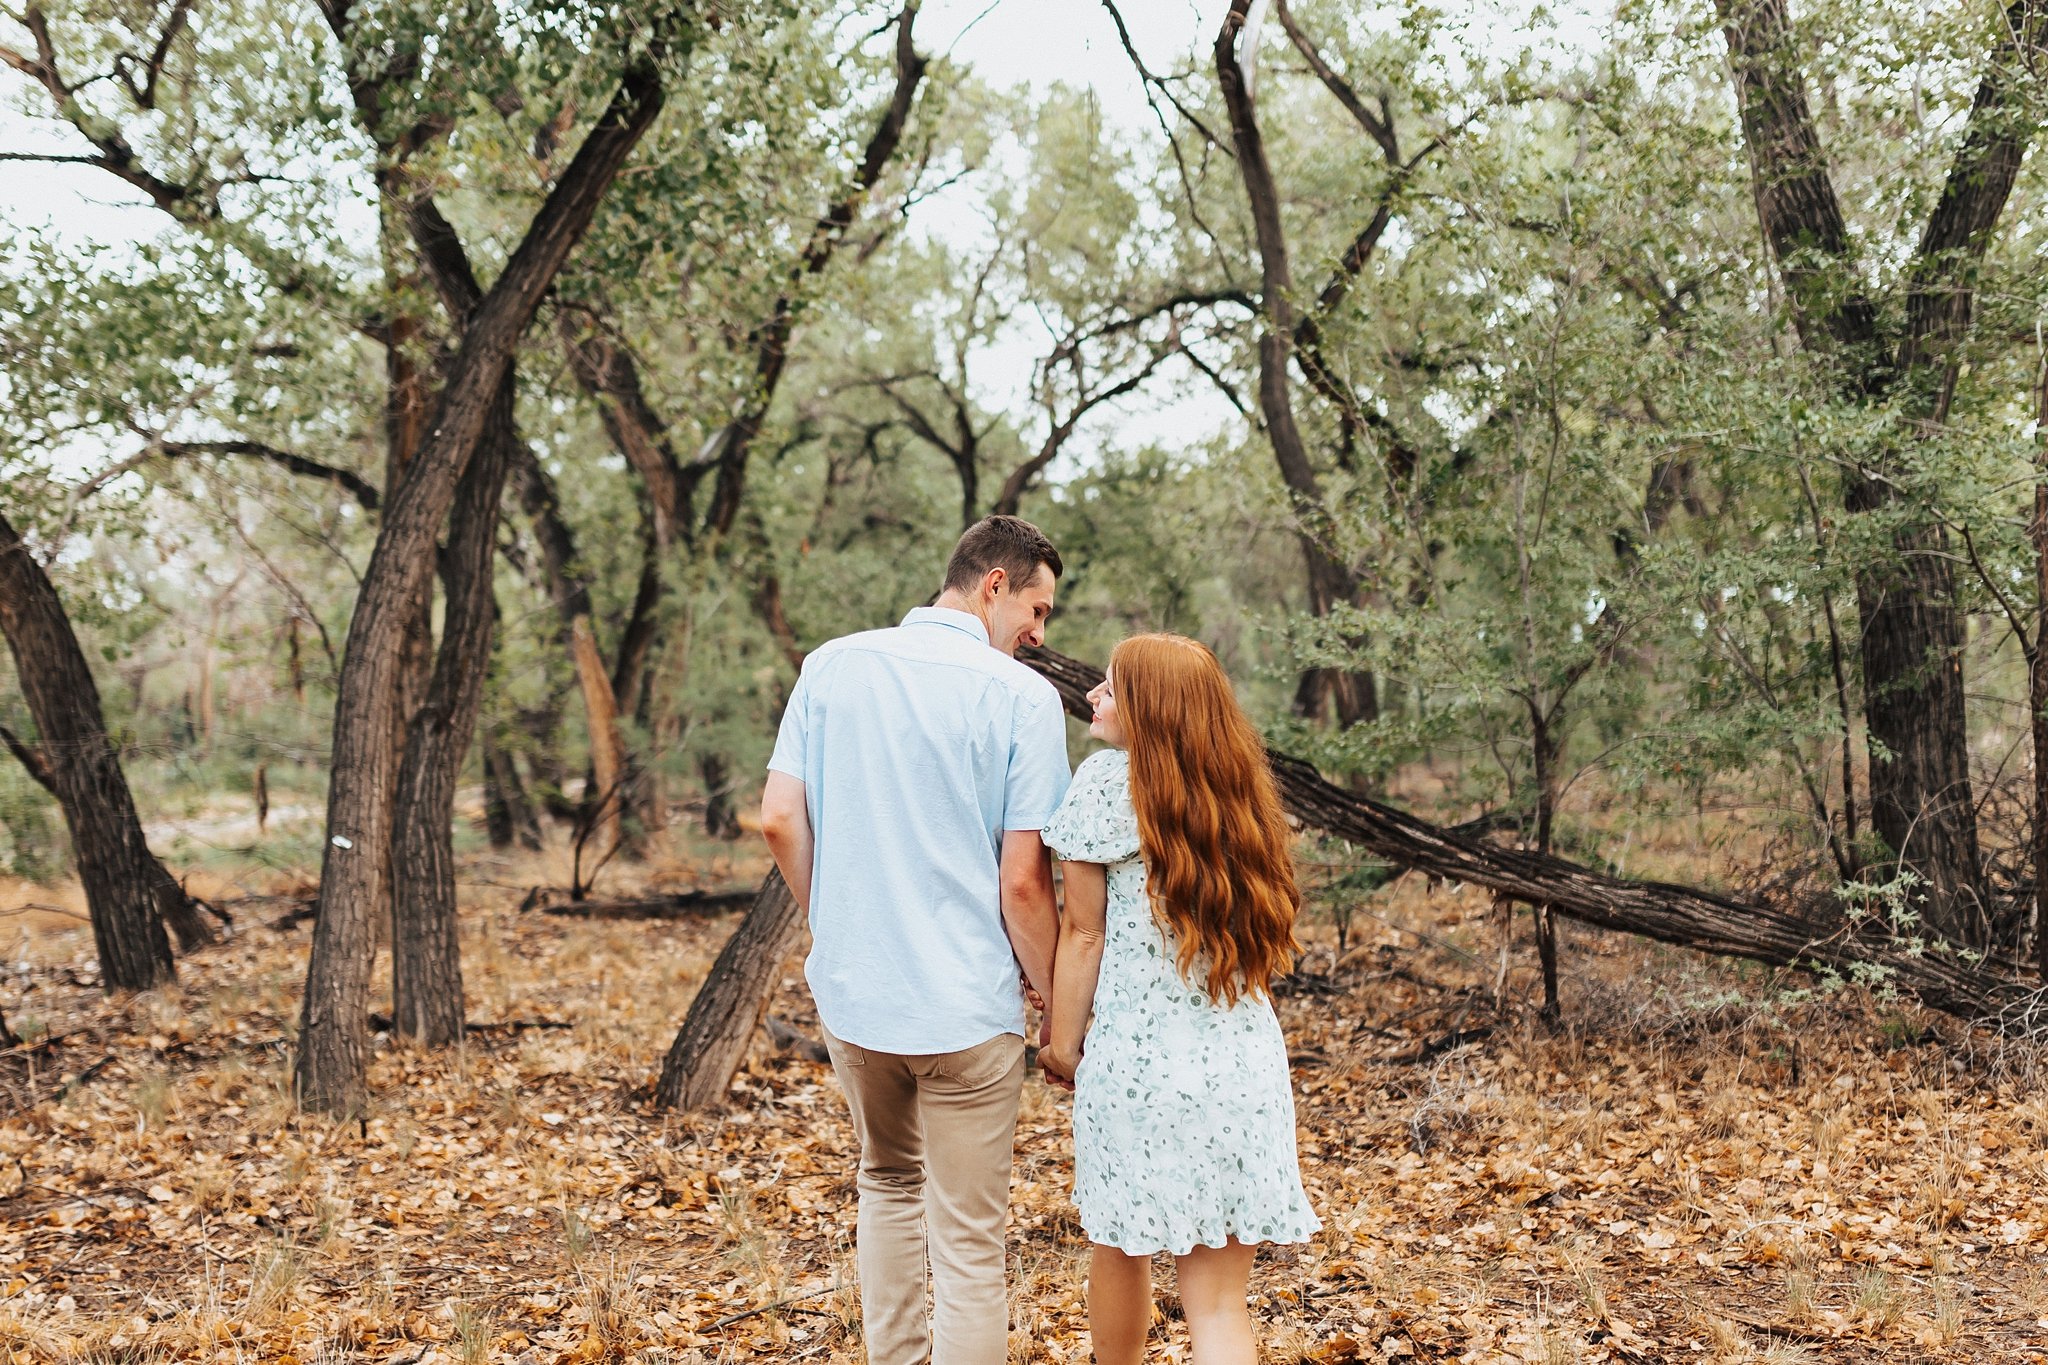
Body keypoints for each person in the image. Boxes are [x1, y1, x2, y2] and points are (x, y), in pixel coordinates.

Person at [758, 514, 1072, 1365]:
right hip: (967, 1008)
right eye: (1037, 612)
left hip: (859, 1000)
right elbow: (1021, 881)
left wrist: (839, 925)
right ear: (994, 585)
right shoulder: (1022, 700)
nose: (1039, 637)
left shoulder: (831, 666)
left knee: (887, 1185)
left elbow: (780, 819)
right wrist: (1053, 1006)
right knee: (969, 1238)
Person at [1037, 633, 1320, 1365]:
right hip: (1243, 1068)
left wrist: (1062, 1044)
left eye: (1110, 686)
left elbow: (1084, 935)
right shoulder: (1241, 796)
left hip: (1138, 1069)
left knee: (1120, 1245)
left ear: (1151, 708)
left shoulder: (1105, 784)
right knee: (1221, 1305)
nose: (1094, 696)